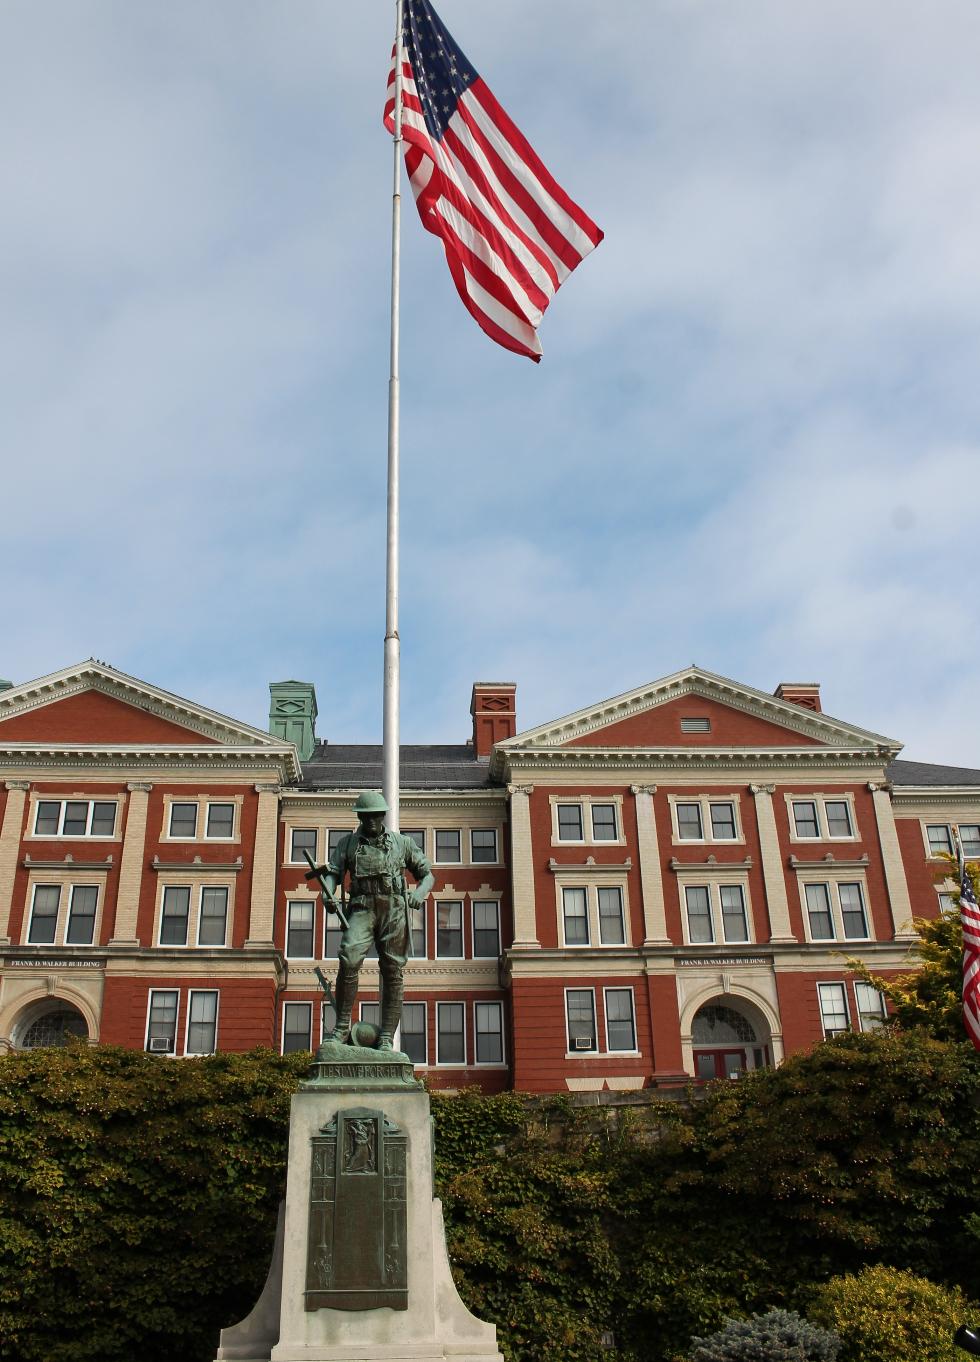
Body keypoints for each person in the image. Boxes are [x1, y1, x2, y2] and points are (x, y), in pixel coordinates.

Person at [308, 791, 433, 1050]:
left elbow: (427, 875)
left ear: (383, 815)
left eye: (376, 815)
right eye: (367, 816)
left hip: (394, 907)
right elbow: (333, 872)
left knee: (392, 970)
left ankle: (387, 1036)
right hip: (362, 906)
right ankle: (342, 1027)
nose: (372, 821)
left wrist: (420, 893)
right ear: (360, 817)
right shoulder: (348, 844)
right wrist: (327, 892)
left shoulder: (403, 843)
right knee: (349, 957)